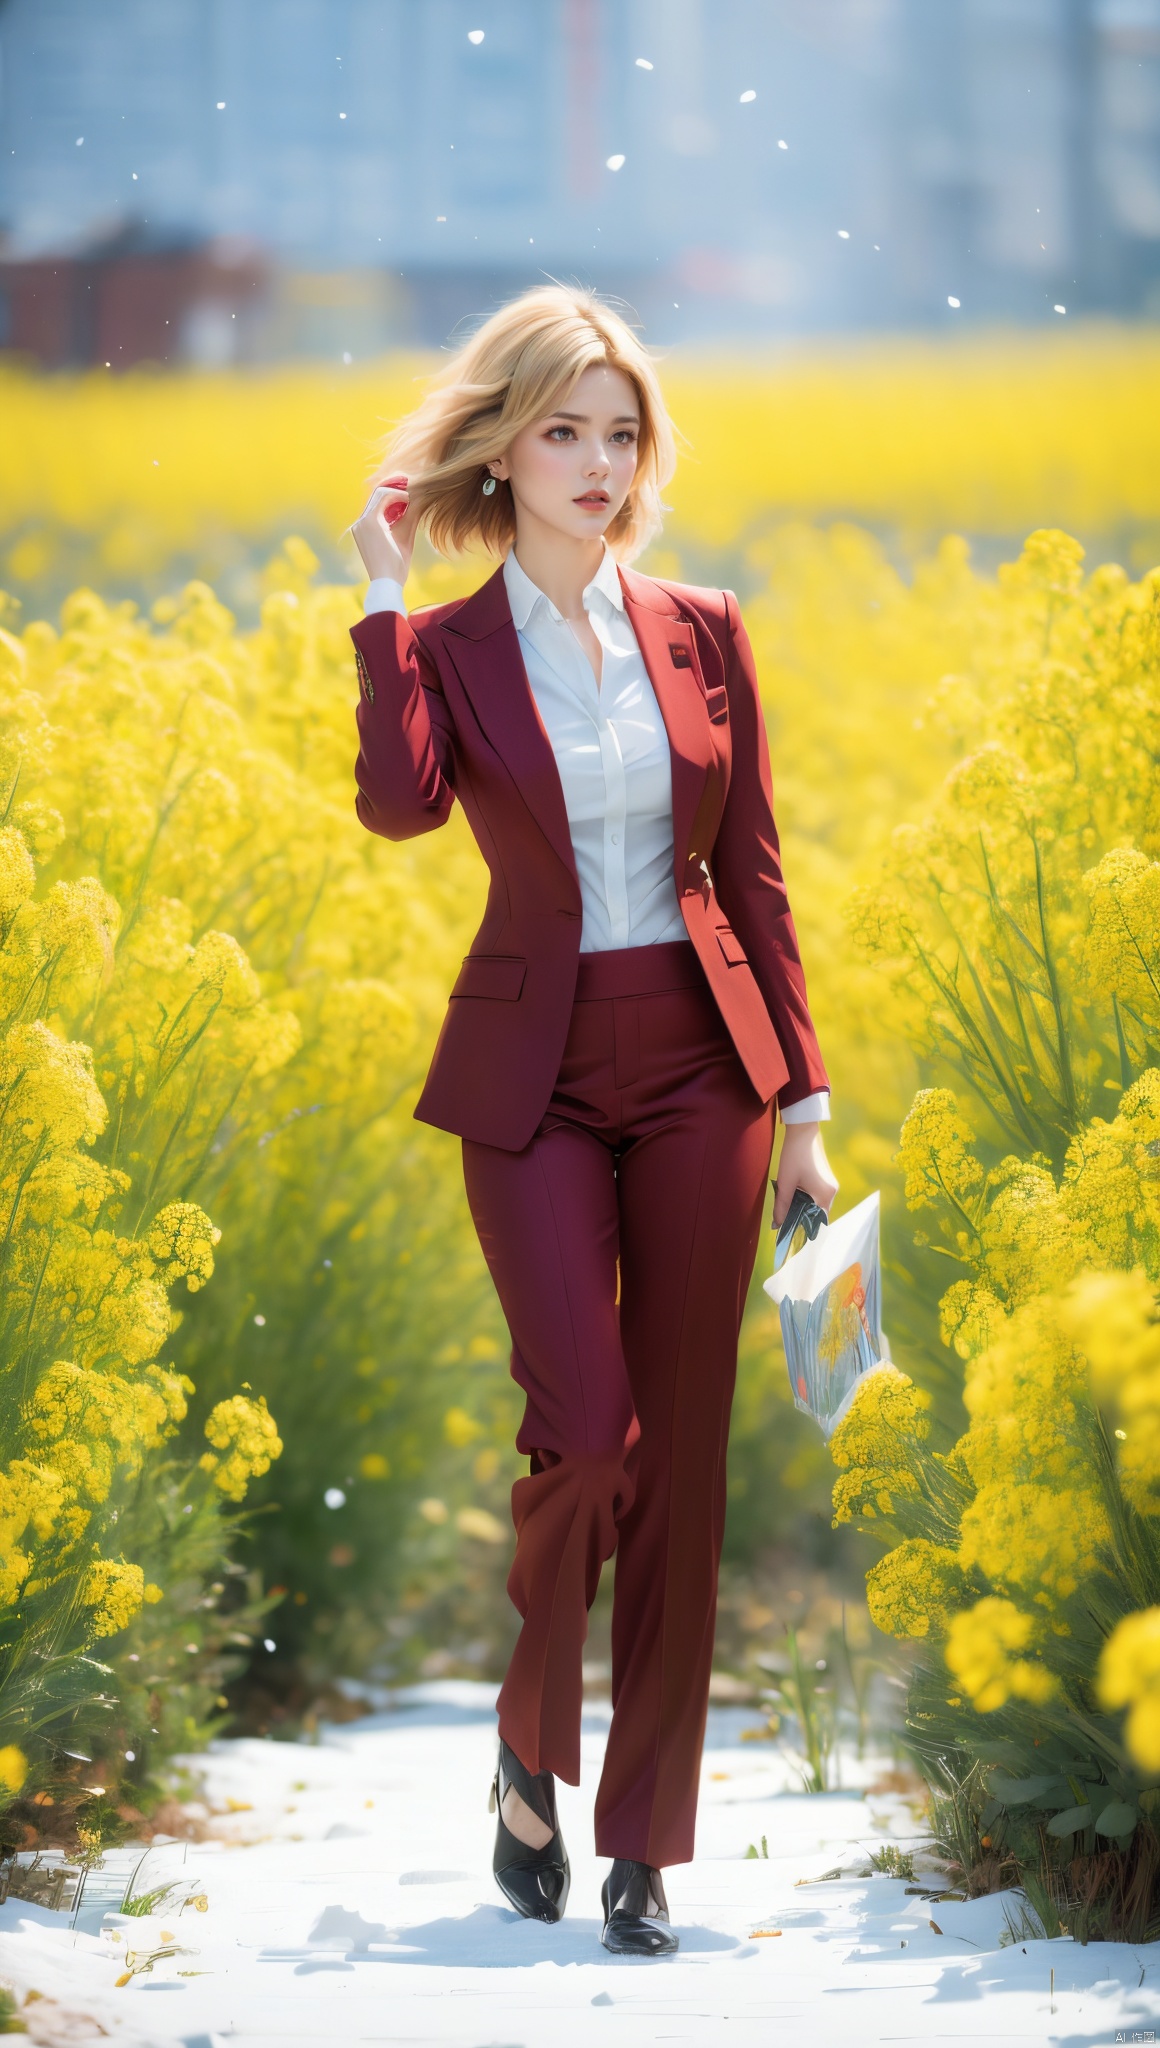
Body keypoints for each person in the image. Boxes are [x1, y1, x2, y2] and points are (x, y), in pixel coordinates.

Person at [348, 285, 837, 1957]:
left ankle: (645, 1844)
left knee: (683, 1459)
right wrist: (378, 603)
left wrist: (809, 1116)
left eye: (620, 432)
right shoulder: (453, 648)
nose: (598, 460)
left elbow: (755, 875)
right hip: (534, 1079)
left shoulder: (704, 625)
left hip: (705, 1069)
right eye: (564, 428)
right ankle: (526, 1738)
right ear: (505, 442)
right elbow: (402, 808)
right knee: (588, 1425)